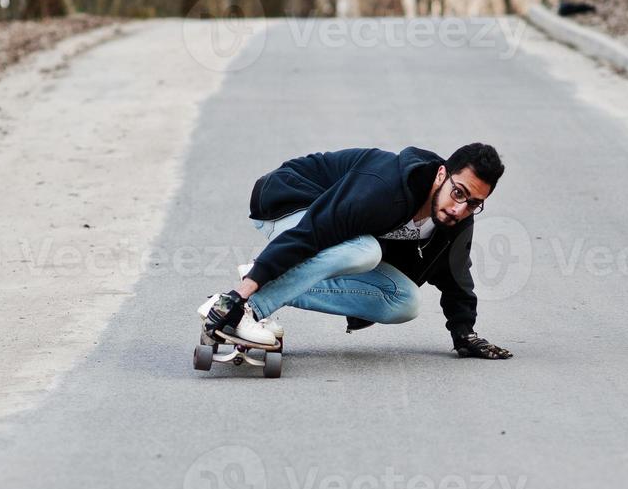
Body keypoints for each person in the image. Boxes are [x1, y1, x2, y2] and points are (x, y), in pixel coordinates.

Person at [197, 143, 514, 359]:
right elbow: (312, 233)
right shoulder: (385, 187)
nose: (460, 208)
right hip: (289, 204)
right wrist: (242, 295)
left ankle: (263, 277)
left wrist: (464, 334)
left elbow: (456, 274)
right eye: (458, 193)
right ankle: (247, 306)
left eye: (474, 203)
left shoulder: (456, 218)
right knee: (366, 251)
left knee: (404, 301)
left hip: (326, 235)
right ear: (442, 175)